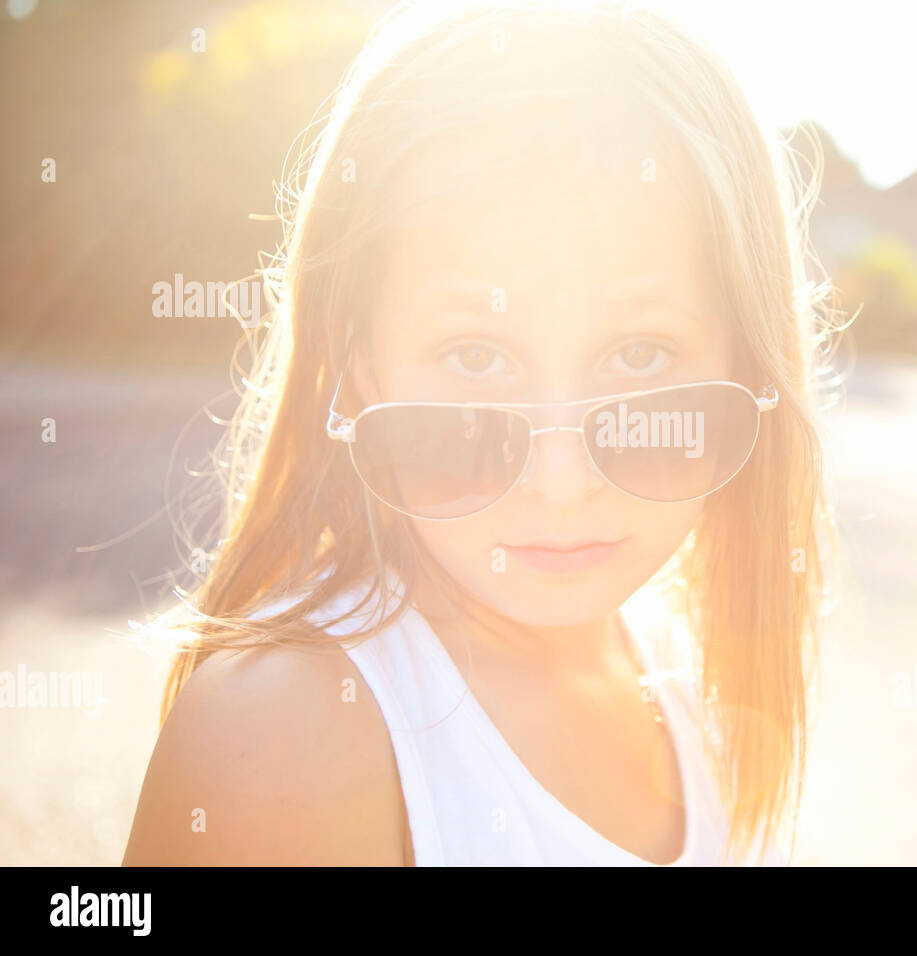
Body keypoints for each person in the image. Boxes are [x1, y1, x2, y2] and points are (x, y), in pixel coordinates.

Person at [123, 0, 840, 867]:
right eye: (473, 357)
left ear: (747, 360)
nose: (561, 477)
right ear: (363, 370)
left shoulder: (695, 676)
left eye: (640, 353)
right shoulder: (282, 736)